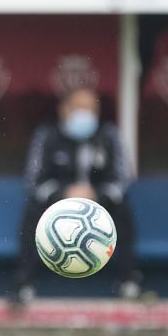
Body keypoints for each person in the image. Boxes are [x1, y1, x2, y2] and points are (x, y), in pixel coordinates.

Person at [10, 86, 143, 306]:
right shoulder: (47, 135)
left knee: (124, 210)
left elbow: (122, 178)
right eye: (80, 107)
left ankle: (128, 281)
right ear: (64, 109)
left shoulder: (108, 135)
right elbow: (33, 180)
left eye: (91, 109)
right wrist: (65, 193)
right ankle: (24, 284)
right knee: (32, 210)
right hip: (56, 206)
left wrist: (96, 194)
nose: (86, 114)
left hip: (99, 206)